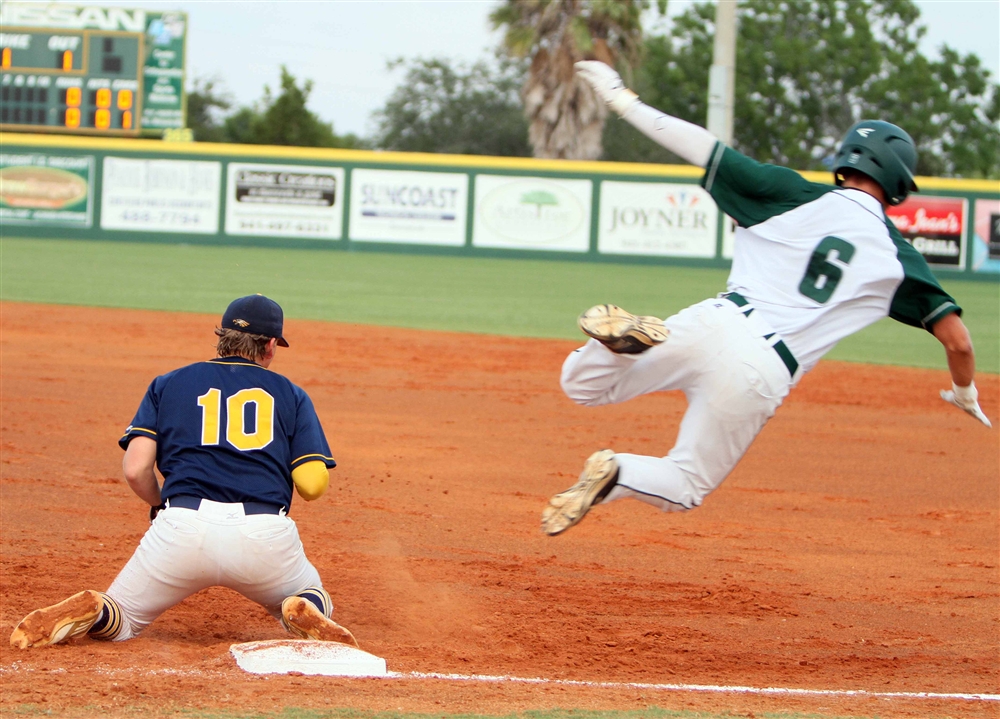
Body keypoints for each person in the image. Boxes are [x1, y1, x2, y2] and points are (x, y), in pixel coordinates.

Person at [541, 61, 992, 536]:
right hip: (762, 369)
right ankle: (619, 472)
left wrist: (621, 99)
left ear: (847, 161)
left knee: (582, 386)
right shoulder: (898, 257)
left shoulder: (792, 192)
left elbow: (704, 148)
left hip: (717, 320)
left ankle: (620, 341)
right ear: (899, 180)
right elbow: (958, 342)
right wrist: (963, 392)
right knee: (687, 481)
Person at [11, 294, 358, 648]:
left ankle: (96, 608)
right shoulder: (291, 394)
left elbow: (136, 469)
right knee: (312, 594)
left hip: (182, 529)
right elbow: (312, 484)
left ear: (222, 336)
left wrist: (161, 503)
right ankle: (301, 606)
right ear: (270, 346)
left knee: (122, 617)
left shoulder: (168, 383)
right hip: (265, 537)